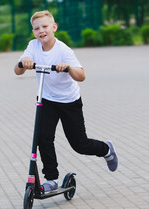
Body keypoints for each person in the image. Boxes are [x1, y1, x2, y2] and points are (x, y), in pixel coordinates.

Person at [14, 10, 118, 193]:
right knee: (43, 138)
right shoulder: (33, 46)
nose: (41, 31)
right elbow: (17, 70)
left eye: (45, 26)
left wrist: (68, 68)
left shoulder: (63, 50)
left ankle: (106, 149)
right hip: (46, 100)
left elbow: (82, 76)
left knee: (80, 144)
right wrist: (25, 61)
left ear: (54, 27)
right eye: (37, 28)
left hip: (69, 101)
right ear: (33, 32)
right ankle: (52, 179)